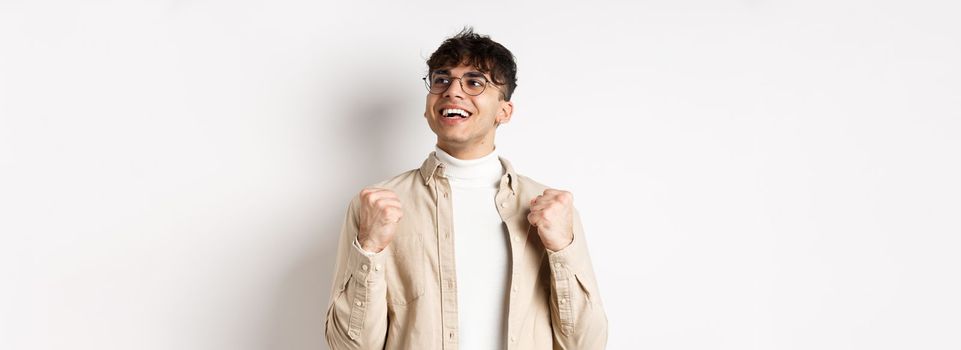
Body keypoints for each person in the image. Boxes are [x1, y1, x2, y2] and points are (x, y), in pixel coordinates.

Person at [325, 27, 608, 350]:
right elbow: (348, 346)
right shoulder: (376, 205)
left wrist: (561, 248)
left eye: (474, 82)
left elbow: (586, 344)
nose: (452, 91)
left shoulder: (551, 209)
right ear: (428, 103)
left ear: (505, 111)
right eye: (441, 80)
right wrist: (370, 247)